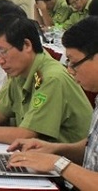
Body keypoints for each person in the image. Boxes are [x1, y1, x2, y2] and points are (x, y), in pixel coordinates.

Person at [0, 15, 92, 144]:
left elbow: (28, 135)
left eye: (2, 52)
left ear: (27, 45)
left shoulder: (51, 78)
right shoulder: (20, 71)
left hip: (62, 166)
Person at [6, 16, 98, 190]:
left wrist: (58, 164)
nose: (70, 71)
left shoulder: (51, 76)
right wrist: (55, 149)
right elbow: (92, 150)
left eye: (74, 63)